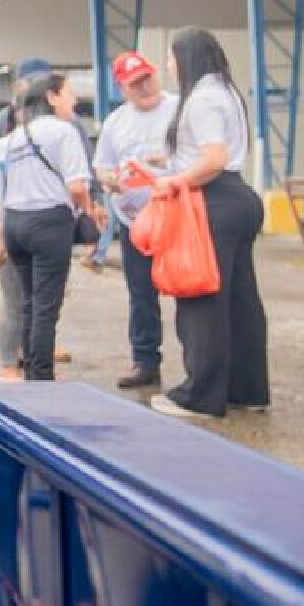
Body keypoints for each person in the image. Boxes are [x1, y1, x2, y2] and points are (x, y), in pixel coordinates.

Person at [148, 27, 270, 421]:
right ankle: (247, 390)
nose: (169, 64)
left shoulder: (200, 99)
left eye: (171, 56)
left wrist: (175, 180)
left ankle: (200, 396)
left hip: (212, 201)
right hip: (239, 198)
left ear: (187, 57)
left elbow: (214, 157)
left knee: (201, 299)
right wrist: (168, 163)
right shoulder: (228, 92)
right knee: (240, 302)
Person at [0, 73, 99, 381]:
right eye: (68, 94)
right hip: (49, 222)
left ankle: (31, 370)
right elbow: (76, 187)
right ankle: (41, 378)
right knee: (46, 305)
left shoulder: (9, 141)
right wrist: (91, 211)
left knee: (28, 304)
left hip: (15, 224)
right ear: (50, 97)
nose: (74, 101)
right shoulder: (64, 132)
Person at [93, 52, 179, 390]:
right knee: (141, 294)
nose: (144, 87)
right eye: (135, 83)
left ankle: (198, 363)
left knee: (188, 288)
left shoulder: (178, 109)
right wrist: (109, 179)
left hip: (175, 217)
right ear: (123, 89)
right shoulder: (116, 122)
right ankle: (145, 361)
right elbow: (102, 166)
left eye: (147, 78)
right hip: (134, 222)